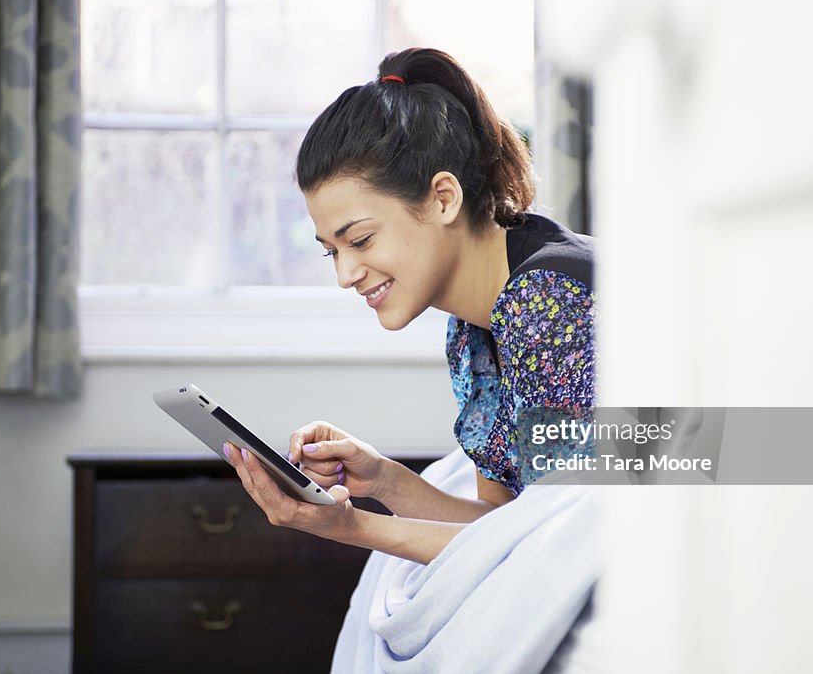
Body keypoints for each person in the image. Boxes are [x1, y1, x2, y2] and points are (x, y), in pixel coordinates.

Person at [222, 47, 596, 566]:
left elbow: (551, 546)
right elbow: (505, 523)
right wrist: (384, 481)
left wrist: (352, 526)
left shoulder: (548, 297)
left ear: (443, 198)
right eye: (332, 250)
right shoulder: (472, 328)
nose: (345, 274)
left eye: (362, 240)